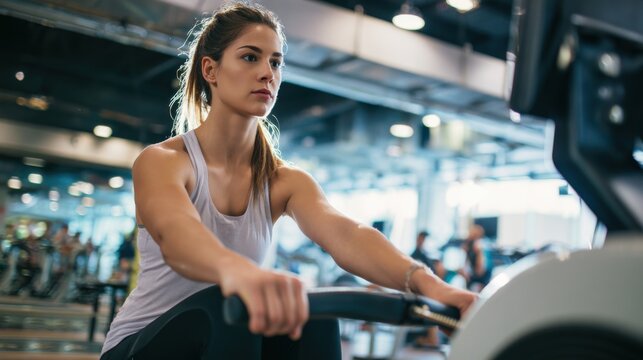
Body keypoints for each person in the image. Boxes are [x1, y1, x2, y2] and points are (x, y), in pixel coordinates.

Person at [100, 3, 476, 360]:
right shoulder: (163, 161)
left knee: (313, 315)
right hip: (140, 345)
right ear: (210, 70)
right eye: (250, 57)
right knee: (231, 305)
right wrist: (241, 274)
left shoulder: (284, 180)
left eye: (275, 62)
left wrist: (432, 286)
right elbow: (176, 235)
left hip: (227, 339)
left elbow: (348, 235)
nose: (268, 72)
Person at [410, 230, 446, 349]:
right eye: (423, 239)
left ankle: (433, 338)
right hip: (422, 290)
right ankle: (432, 339)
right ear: (419, 239)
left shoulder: (425, 255)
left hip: (431, 287)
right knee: (433, 303)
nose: (424, 242)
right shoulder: (415, 256)